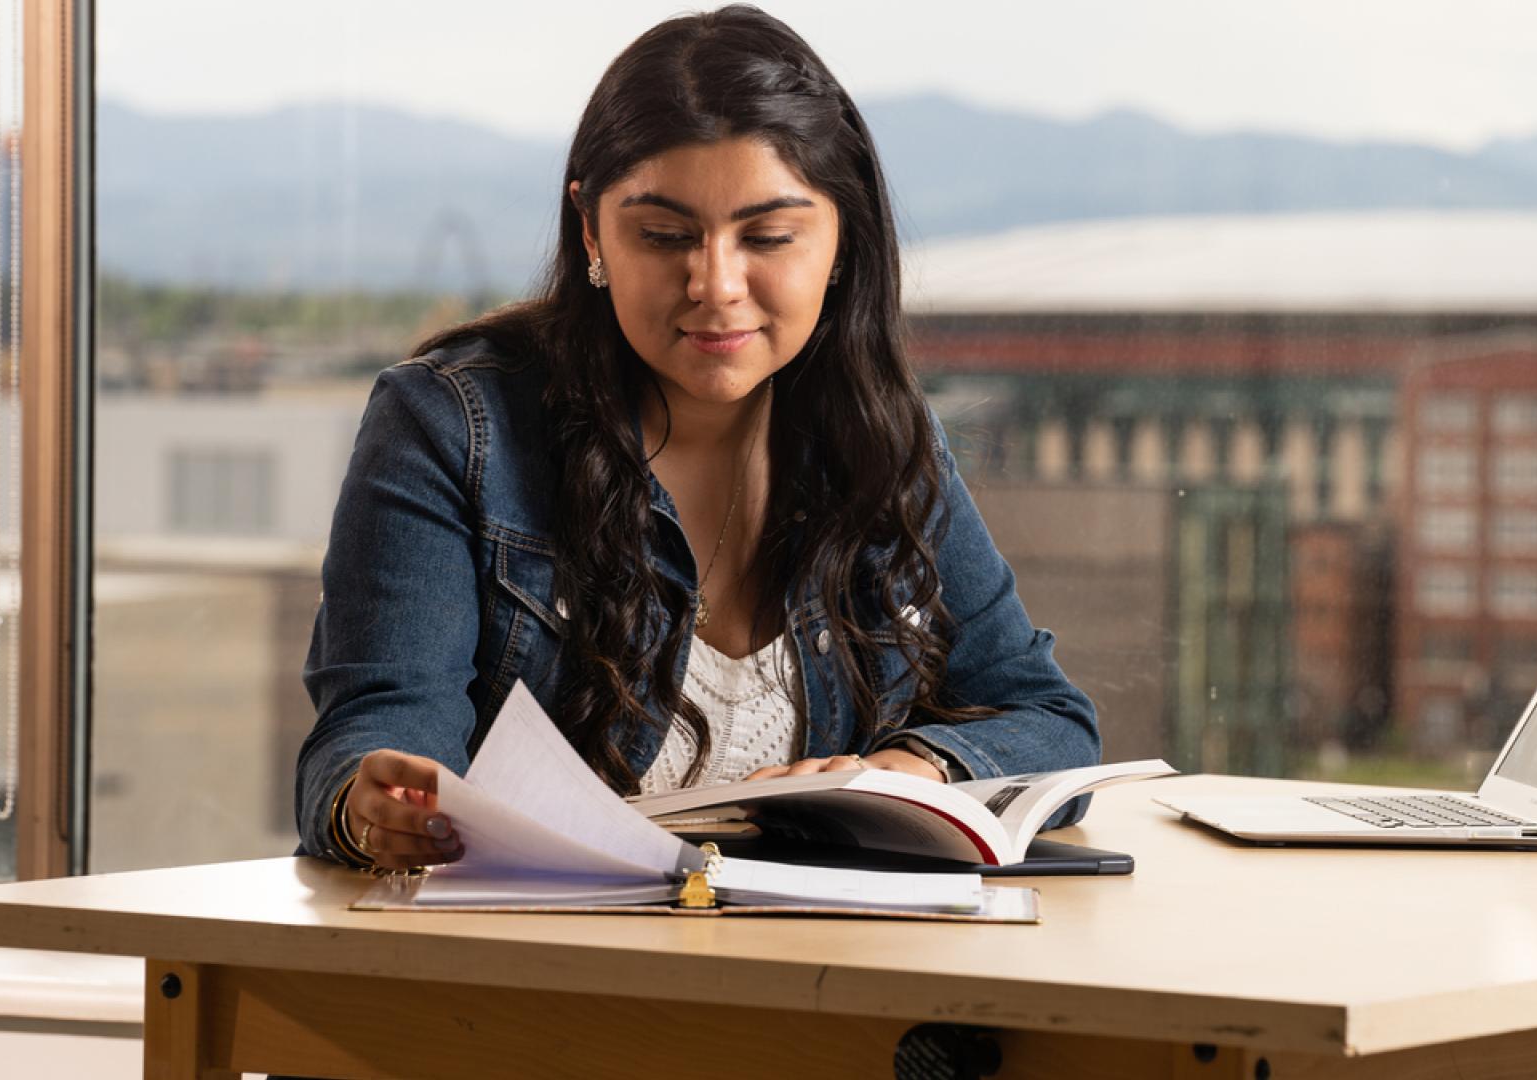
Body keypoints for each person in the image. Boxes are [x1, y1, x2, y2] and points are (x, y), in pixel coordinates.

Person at [294, 4, 1099, 873]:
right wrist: (369, 805)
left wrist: (912, 775)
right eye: (666, 236)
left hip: (821, 968)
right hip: (535, 971)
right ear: (592, 229)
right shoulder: (450, 427)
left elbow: (1048, 720)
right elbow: (378, 728)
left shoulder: (883, 438)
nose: (715, 284)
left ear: (841, 240)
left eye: (768, 237)